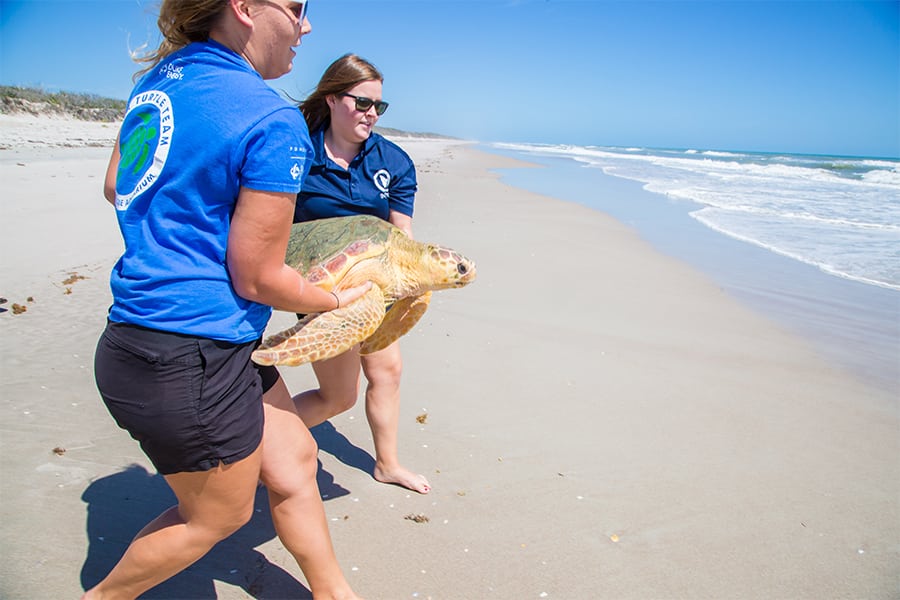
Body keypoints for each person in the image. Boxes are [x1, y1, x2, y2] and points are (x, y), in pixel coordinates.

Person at [85, 2, 368, 598]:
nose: (305, 26)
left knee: (292, 461)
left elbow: (116, 185)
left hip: (160, 338)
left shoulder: (159, 83)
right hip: (190, 353)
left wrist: (184, 214)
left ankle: (334, 593)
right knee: (218, 517)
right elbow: (258, 277)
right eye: (296, 8)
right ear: (244, 8)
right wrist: (334, 298)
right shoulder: (271, 117)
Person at [290, 54, 430, 494]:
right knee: (338, 396)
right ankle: (255, 437)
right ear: (332, 98)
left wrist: (410, 286)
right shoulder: (296, 150)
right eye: (363, 103)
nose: (372, 114)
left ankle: (387, 463)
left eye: (379, 107)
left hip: (377, 284)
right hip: (321, 289)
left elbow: (401, 235)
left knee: (387, 372)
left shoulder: (393, 161)